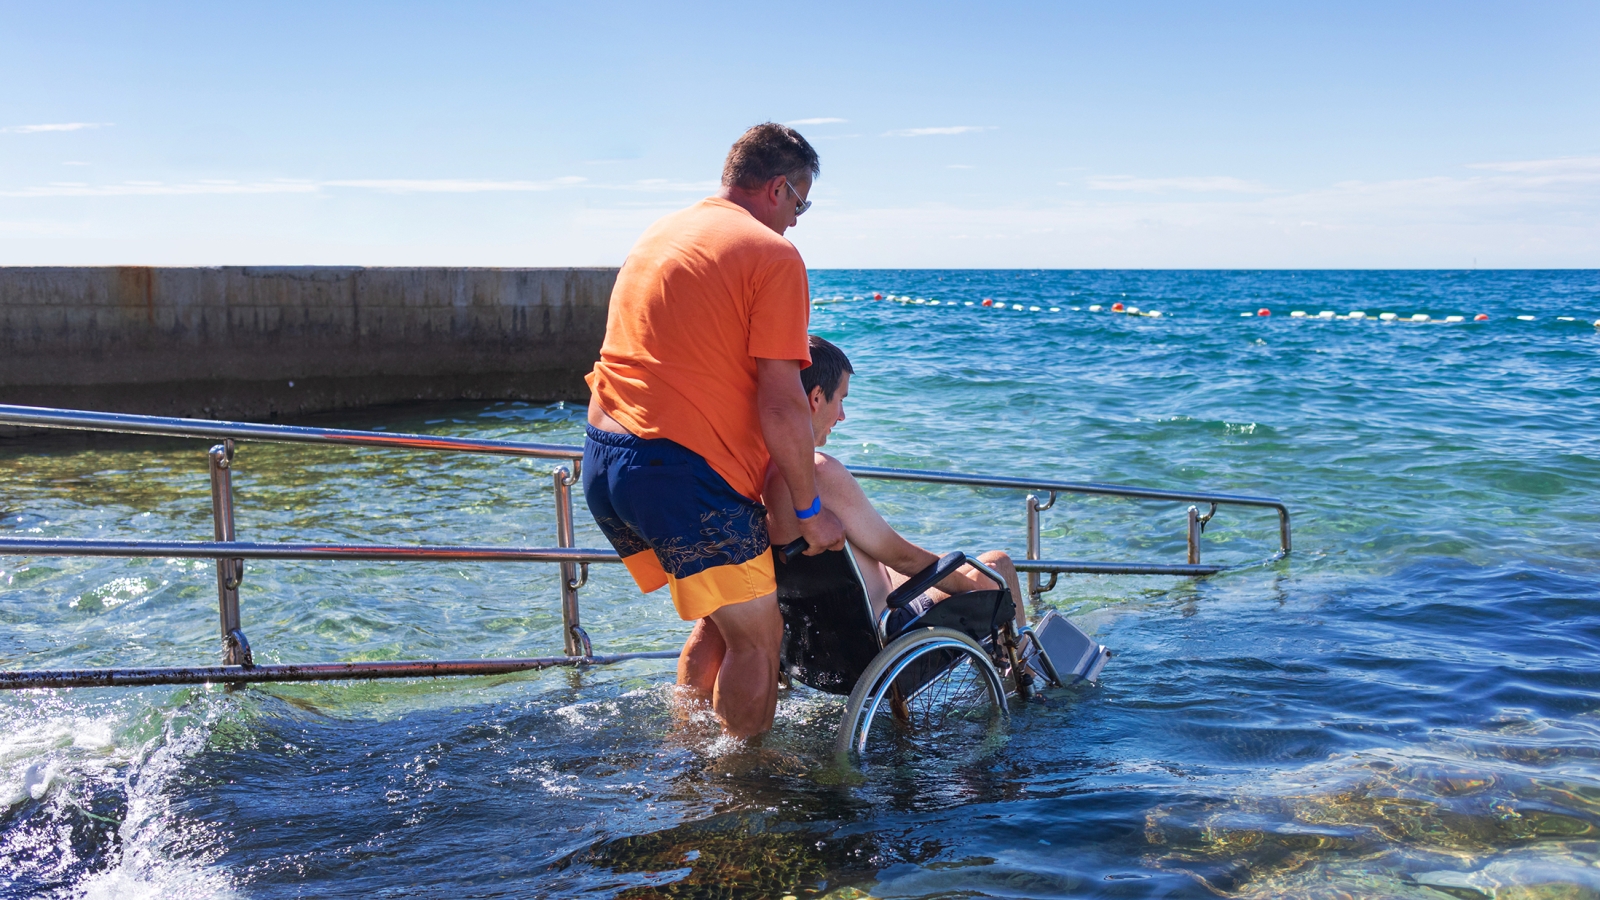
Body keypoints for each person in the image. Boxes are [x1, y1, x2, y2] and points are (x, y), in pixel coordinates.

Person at [582, 123, 846, 739]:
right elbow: (783, 405)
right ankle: (738, 792)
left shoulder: (664, 232)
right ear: (779, 187)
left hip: (606, 458)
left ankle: (689, 750)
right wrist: (809, 509)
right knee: (759, 638)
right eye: (800, 203)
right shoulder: (771, 254)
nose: (798, 220)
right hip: (679, 472)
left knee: (721, 620)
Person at [764, 336, 1030, 633]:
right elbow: (902, 557)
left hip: (821, 636)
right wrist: (969, 586)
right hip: (886, 633)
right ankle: (1024, 673)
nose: (842, 415)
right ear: (815, 399)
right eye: (841, 400)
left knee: (940, 565)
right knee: (996, 566)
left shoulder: (763, 474)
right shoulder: (821, 472)